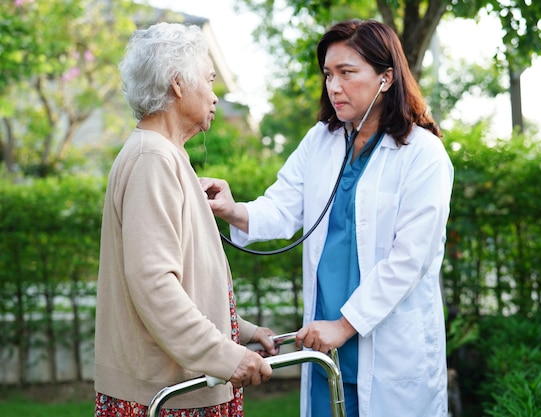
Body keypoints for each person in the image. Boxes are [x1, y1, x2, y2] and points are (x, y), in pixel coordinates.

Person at [205, 19, 453, 417]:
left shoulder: (422, 154)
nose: (333, 87)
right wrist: (234, 210)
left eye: (346, 73)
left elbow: (411, 258)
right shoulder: (321, 140)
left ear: (386, 78)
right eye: (328, 74)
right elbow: (284, 206)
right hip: (326, 349)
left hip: (386, 348)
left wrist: (344, 324)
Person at [94, 22, 277, 417]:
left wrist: (242, 331)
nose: (214, 96)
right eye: (209, 81)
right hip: (167, 394)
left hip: (177, 385)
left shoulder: (162, 156)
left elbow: (186, 283)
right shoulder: (152, 159)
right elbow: (154, 285)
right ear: (178, 83)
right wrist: (224, 355)